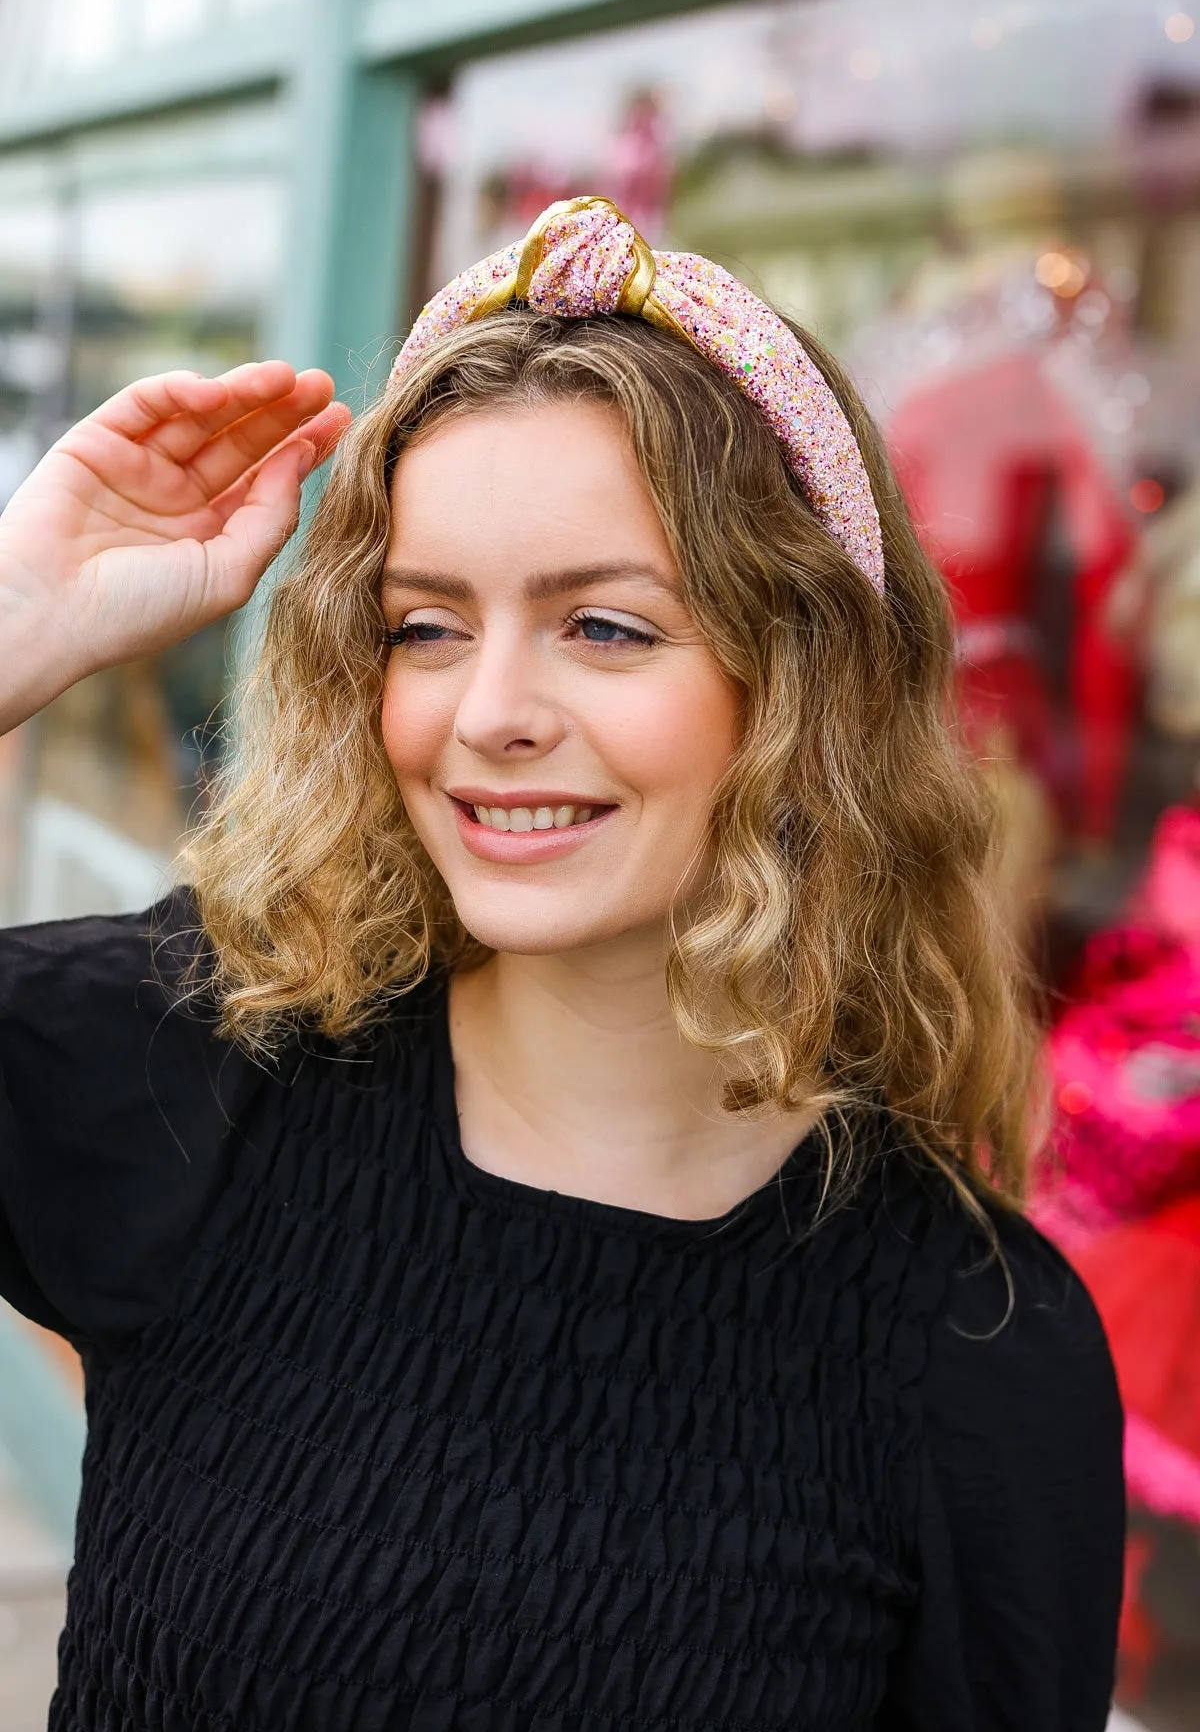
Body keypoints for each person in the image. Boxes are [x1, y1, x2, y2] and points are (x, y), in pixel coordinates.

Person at [0, 197, 1123, 1731]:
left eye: (602, 626)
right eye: (427, 627)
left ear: (801, 686)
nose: (490, 713)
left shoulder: (971, 1350)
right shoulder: (202, 1066)